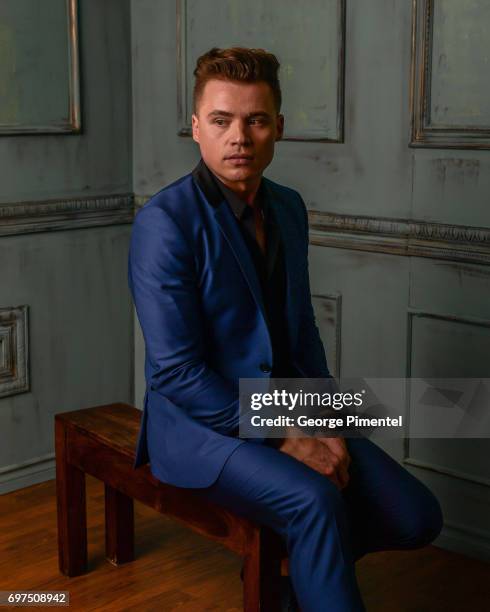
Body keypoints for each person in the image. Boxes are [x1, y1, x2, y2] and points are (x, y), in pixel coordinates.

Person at [128, 46, 443, 612]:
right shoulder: (164, 223)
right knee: (316, 501)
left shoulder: (290, 208)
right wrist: (284, 434)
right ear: (196, 128)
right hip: (199, 429)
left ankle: (301, 578)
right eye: (222, 121)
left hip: (289, 401)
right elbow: (178, 373)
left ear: (280, 128)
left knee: (416, 515)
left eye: (256, 120)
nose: (239, 137)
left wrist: (328, 421)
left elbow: (302, 335)